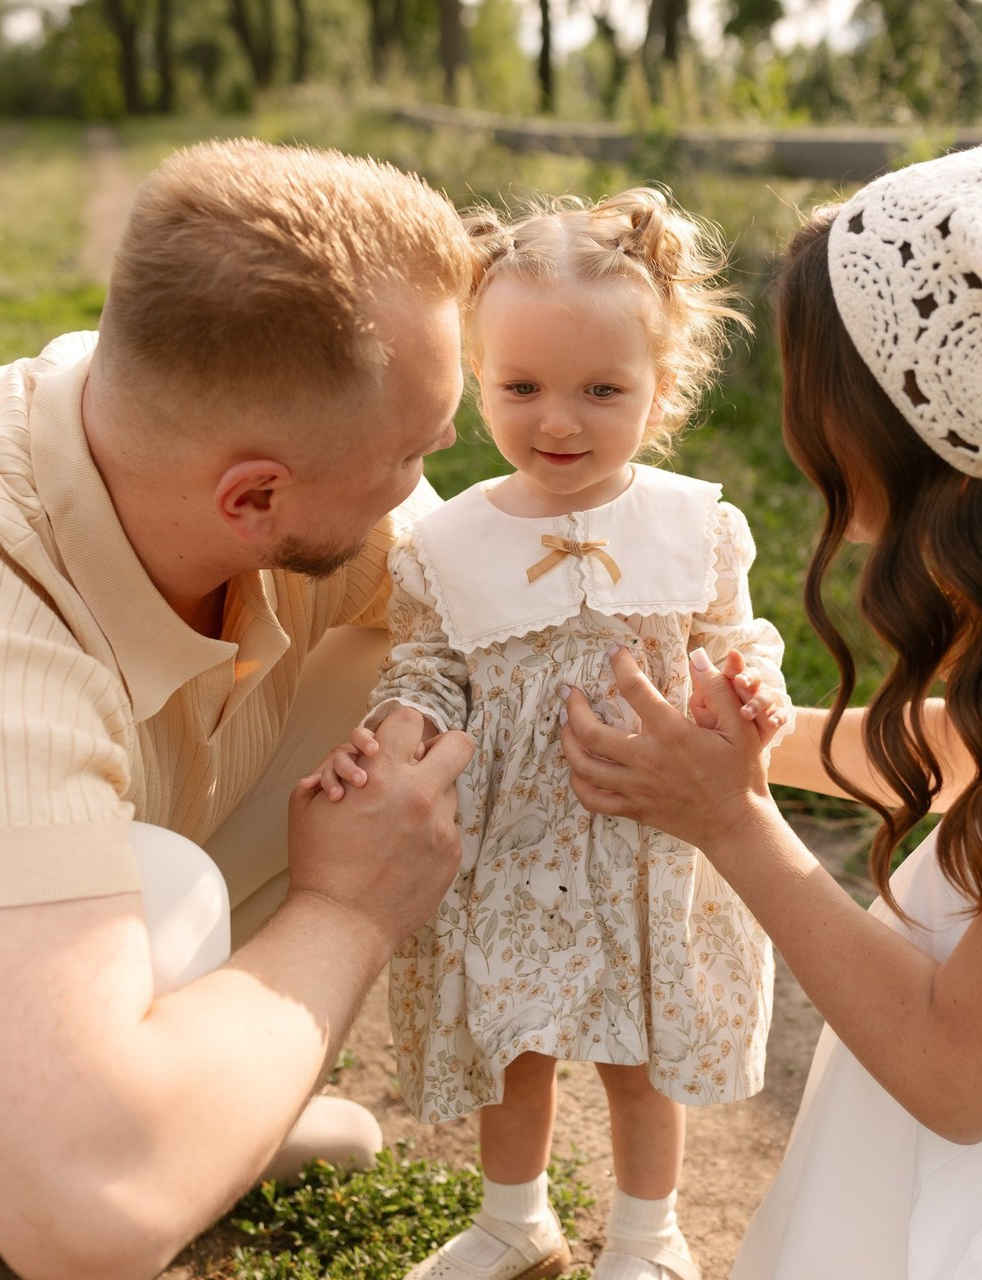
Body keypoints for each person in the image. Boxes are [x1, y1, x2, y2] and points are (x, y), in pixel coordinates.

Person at [561, 134, 982, 1279]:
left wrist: (732, 823)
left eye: (840, 445)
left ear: (948, 446)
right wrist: (762, 746)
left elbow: (963, 1075)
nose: (834, 497)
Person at [0, 137, 478, 1280]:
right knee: (163, 894)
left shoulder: (175, 455)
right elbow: (87, 1213)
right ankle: (73, 1140)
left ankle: (200, 1092)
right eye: (412, 453)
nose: (432, 477)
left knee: (408, 664)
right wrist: (348, 911)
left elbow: (508, 626)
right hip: (23, 1105)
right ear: (255, 494)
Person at [308, 186, 791, 1280]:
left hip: (646, 835)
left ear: (660, 391)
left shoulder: (692, 522)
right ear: (477, 380)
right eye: (520, 387)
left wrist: (747, 685)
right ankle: (512, 1216)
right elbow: (431, 660)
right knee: (510, 1035)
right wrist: (399, 721)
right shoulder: (448, 541)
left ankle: (644, 1233)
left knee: (637, 1048)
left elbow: (732, 634)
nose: (557, 421)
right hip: (512, 842)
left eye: (599, 390)